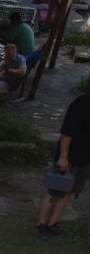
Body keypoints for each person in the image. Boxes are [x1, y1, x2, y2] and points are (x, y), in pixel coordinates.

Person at [35, 92, 90, 237]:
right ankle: (41, 224)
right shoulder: (82, 103)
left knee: (68, 192)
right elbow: (67, 133)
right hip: (70, 156)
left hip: (84, 159)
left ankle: (52, 224)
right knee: (54, 190)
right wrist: (63, 157)